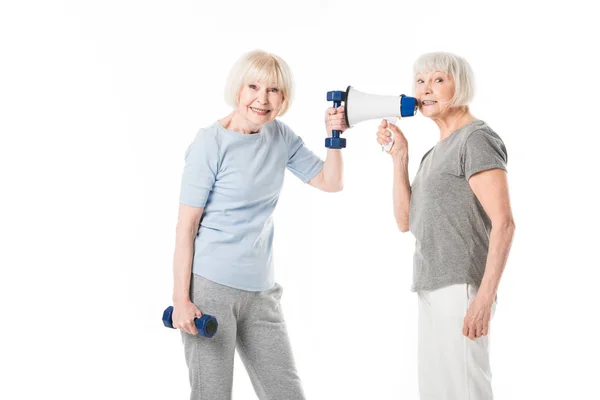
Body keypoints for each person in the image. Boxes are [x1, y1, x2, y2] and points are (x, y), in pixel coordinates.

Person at [171, 49, 346, 400]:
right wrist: (180, 299)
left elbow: (330, 181)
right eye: (253, 86)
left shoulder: (280, 137)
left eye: (274, 90)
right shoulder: (211, 142)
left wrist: (334, 136)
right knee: (212, 394)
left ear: (284, 98)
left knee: (287, 394)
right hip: (210, 290)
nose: (262, 99)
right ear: (238, 88)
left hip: (261, 291)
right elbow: (186, 227)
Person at [376, 52, 515, 400]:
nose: (426, 89)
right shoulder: (434, 153)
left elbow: (505, 224)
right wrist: (400, 157)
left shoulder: (475, 139)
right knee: (438, 391)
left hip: (462, 288)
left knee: (466, 389)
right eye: (420, 81)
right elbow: (405, 221)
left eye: (438, 80)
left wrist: (483, 298)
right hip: (431, 284)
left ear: (461, 86)